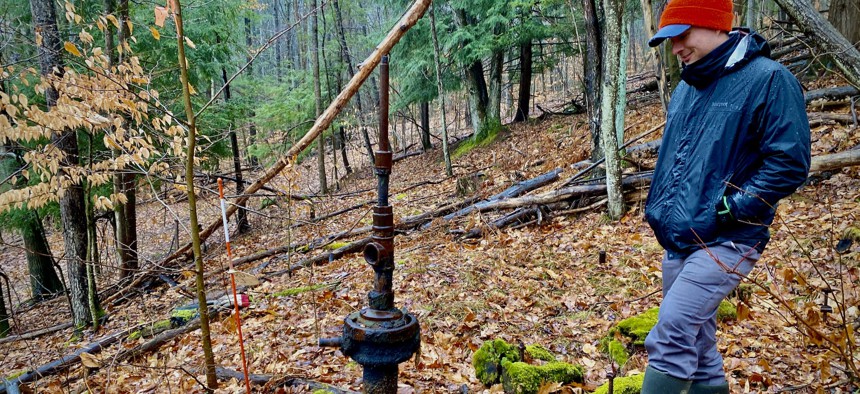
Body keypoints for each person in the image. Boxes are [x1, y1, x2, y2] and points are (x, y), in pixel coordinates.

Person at [641, 0, 811, 392]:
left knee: (673, 330)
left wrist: (730, 208)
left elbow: (789, 163)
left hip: (729, 237)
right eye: (669, 40)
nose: (676, 48)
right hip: (678, 237)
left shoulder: (769, 79)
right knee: (698, 346)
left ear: (714, 24)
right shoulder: (688, 86)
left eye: (681, 35)